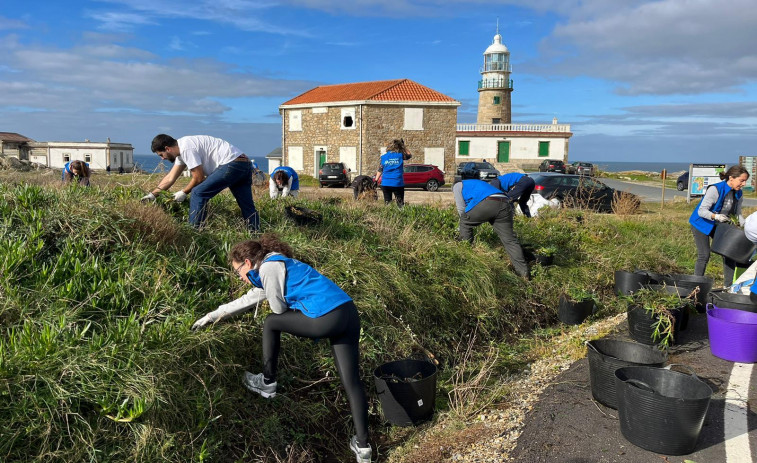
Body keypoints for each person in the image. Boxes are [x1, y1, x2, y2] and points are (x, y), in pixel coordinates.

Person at [191, 235, 371, 463]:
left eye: (238, 272)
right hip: (347, 312)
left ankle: (267, 382)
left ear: (247, 263)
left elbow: (277, 309)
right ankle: (363, 447)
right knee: (352, 382)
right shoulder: (280, 265)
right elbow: (248, 300)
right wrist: (212, 316)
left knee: (271, 322)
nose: (240, 278)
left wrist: (269, 296)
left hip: (326, 317)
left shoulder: (268, 268)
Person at [141, 134, 259, 231]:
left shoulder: (186, 148)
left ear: (167, 148)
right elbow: (170, 178)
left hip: (231, 164)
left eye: (161, 155)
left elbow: (199, 178)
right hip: (244, 162)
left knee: (198, 192)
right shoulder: (182, 150)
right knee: (246, 204)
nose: (162, 158)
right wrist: (152, 195)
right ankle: (255, 234)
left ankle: (194, 232)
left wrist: (183, 192)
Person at [453, 175, 530, 279]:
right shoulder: (475, 183)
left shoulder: (457, 186)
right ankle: (523, 274)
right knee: (510, 241)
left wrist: (461, 227)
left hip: (489, 202)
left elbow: (461, 209)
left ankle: (464, 257)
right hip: (504, 202)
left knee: (465, 222)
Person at [689, 165, 750, 286]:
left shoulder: (739, 193)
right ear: (731, 178)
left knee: (729, 253)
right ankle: (695, 286)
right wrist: (716, 216)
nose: (743, 184)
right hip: (701, 223)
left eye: (745, 181)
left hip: (718, 225)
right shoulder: (715, 189)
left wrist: (747, 226)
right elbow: (702, 211)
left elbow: (737, 214)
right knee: (704, 255)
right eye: (741, 180)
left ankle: (728, 286)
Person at [376, 139, 411, 207]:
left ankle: (388, 216)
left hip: (386, 183)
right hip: (397, 183)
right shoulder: (400, 156)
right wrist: (403, 146)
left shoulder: (384, 157)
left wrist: (376, 180)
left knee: (387, 203)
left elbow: (380, 169)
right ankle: (400, 216)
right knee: (400, 204)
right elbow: (409, 155)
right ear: (399, 147)